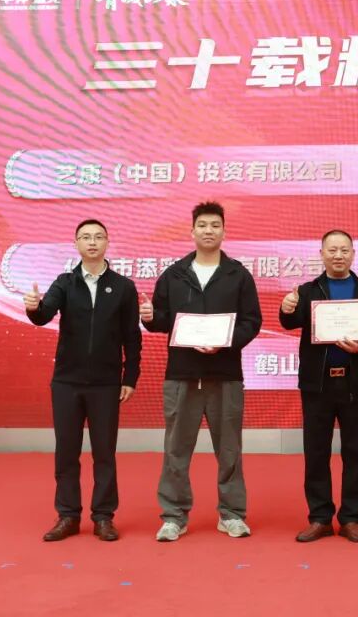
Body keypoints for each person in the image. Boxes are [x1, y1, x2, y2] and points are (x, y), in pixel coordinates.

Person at [140, 201, 263, 542]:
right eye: (203, 225)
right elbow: (162, 320)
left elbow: (252, 321)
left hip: (226, 375)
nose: (209, 231)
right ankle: (174, 517)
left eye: (215, 225)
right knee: (176, 451)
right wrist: (149, 317)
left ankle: (232, 514)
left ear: (224, 231)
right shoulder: (174, 274)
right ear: (192, 231)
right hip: (182, 375)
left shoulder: (238, 274)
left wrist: (225, 342)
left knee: (230, 450)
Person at [25, 219, 141, 542]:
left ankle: (103, 516)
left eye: (98, 236)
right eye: (86, 237)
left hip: (106, 383)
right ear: (76, 244)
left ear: (107, 242)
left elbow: (132, 337)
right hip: (67, 382)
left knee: (104, 453)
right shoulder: (65, 283)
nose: (92, 242)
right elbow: (44, 314)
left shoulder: (123, 287)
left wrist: (130, 377)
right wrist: (33, 308)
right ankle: (68, 515)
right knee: (66, 452)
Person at [279, 230, 358, 543]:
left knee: (355, 453)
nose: (338, 255)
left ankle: (351, 518)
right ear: (322, 254)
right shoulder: (308, 291)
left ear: (353, 254)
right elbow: (289, 322)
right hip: (317, 386)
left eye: (344, 250)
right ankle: (320, 518)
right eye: (332, 250)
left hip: (357, 385)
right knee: (316, 453)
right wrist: (287, 308)